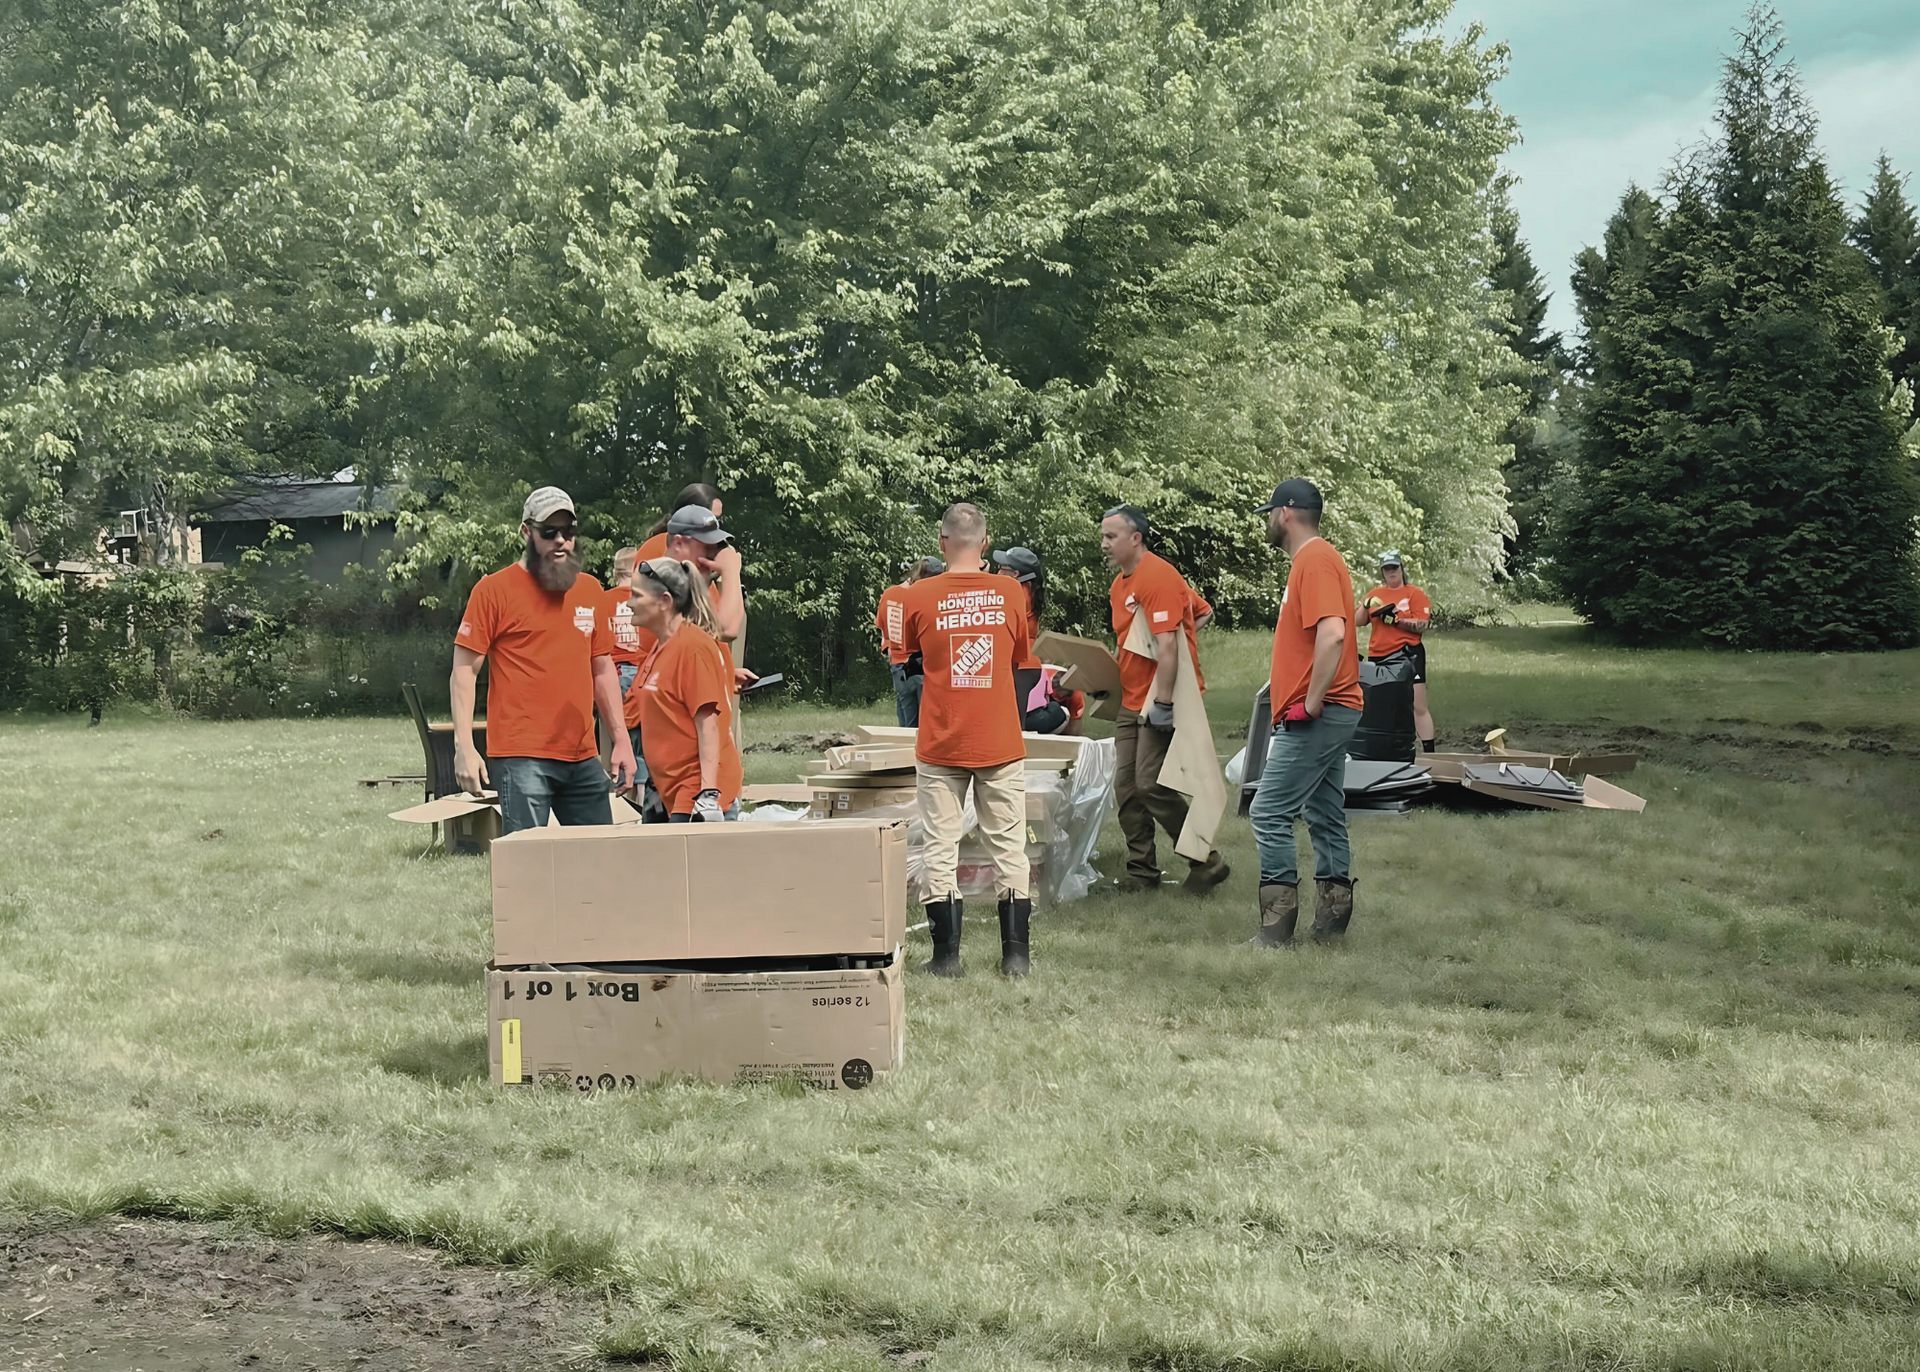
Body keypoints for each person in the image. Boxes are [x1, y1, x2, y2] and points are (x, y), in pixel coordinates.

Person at [449, 487, 636, 833]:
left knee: (601, 862)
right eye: (549, 532)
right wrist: (464, 747)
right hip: (521, 756)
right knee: (527, 865)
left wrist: (621, 739)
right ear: (526, 532)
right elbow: (464, 671)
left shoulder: (590, 590)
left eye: (569, 532)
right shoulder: (494, 591)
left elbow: (602, 668)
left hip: (582, 754)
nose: (561, 540)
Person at [899, 504, 1034, 978]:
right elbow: (1019, 656)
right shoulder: (1011, 591)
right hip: (998, 738)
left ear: (941, 543)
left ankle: (945, 958)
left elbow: (908, 656)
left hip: (941, 741)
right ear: (983, 543)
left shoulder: (917, 595)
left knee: (940, 845)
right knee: (1009, 848)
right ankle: (1016, 957)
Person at [1249, 478, 1364, 946]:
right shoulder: (1319, 559)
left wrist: (1310, 703)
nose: (1268, 521)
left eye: (1269, 512)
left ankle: (1275, 932)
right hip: (1333, 709)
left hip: (1319, 712)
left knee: (1268, 811)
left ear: (1286, 513)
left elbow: (1334, 634)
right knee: (1323, 810)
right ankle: (1331, 925)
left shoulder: (1313, 560)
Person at [1099, 505, 1229, 895]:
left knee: (1150, 784)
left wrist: (1166, 701)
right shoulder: (1120, 584)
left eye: (1111, 536)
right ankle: (1142, 874)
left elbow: (1168, 645)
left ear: (1135, 538)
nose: (1104, 544)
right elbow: (1198, 613)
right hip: (1131, 699)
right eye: (1103, 536)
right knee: (1126, 787)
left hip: (1160, 699)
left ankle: (1206, 862)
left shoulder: (1157, 576)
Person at [625, 557, 744, 822]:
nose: (628, 602)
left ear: (665, 601)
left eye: (636, 595)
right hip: (670, 790)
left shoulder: (692, 647)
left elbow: (709, 725)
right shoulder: (658, 649)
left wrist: (708, 795)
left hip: (696, 791)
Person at [1357, 551, 1436, 752]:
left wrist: (1397, 621)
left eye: (1394, 567)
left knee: (1417, 705)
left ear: (1401, 569)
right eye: (1387, 569)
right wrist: (1365, 604)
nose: (1391, 572)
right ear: (1382, 572)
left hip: (1408, 653)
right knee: (1381, 706)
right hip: (1378, 655)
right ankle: (1385, 748)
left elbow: (1422, 624)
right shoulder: (1375, 594)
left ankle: (1429, 751)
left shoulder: (1414, 593)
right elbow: (1357, 621)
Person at [877, 556, 943, 726]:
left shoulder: (889, 595)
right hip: (921, 663)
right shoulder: (923, 598)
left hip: (898, 665)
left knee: (906, 722)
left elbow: (884, 633)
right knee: (926, 724)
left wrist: (889, 650)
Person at [991, 545, 1049, 732]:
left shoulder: (1017, 595)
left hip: (1021, 666)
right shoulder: (1027, 591)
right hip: (1029, 663)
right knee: (1013, 720)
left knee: (1014, 724)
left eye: (1002, 568)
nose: (997, 571)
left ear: (1015, 574)